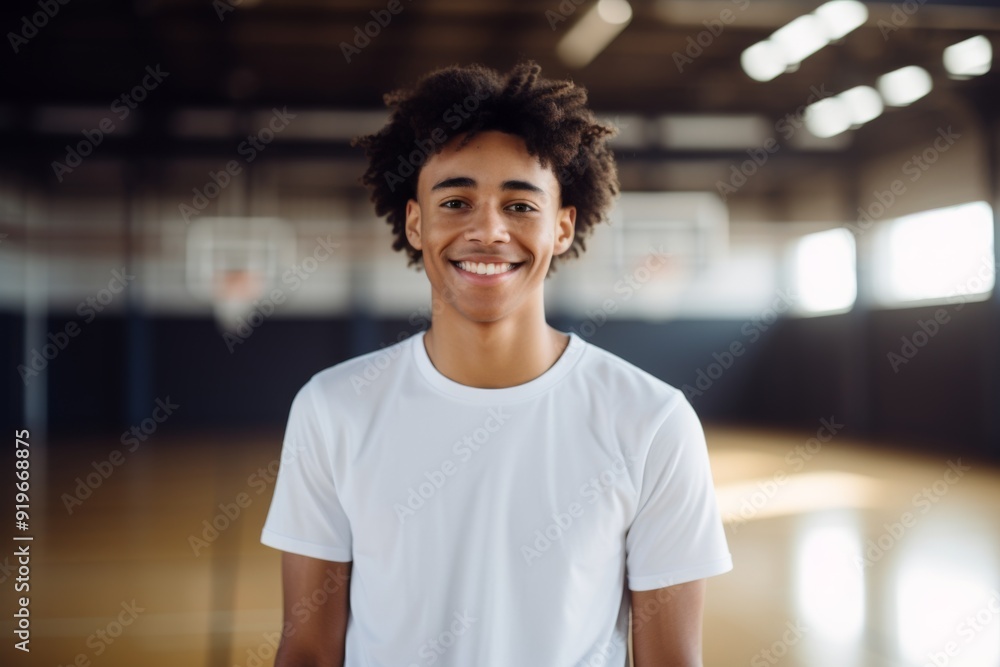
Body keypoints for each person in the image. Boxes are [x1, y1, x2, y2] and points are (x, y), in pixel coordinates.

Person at [260, 59, 732, 667]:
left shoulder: (652, 421)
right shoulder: (333, 408)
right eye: (456, 201)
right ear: (415, 222)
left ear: (563, 228)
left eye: (520, 206)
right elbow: (307, 650)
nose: (488, 230)